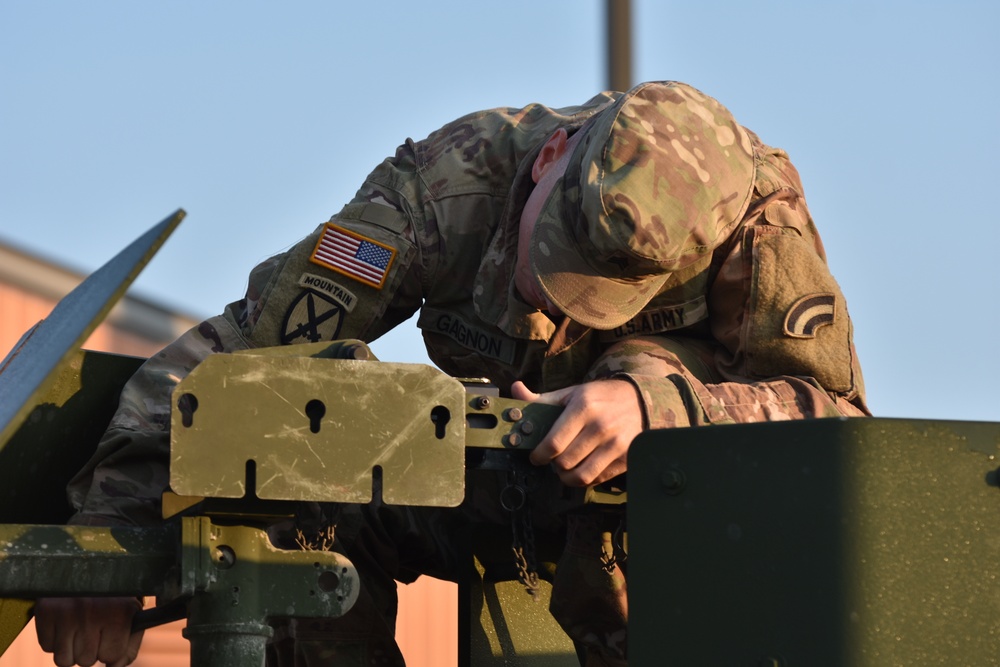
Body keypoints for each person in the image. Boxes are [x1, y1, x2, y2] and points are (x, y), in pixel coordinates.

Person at [34, 81, 868, 667]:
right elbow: (239, 363)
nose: (556, 295)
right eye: (557, 254)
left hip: (659, 522)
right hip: (497, 484)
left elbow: (843, 426)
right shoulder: (444, 188)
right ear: (548, 159)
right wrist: (103, 543)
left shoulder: (754, 219)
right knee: (307, 454)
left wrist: (656, 405)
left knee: (643, 377)